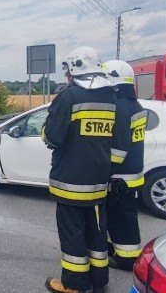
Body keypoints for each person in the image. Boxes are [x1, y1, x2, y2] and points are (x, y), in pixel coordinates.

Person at [42, 46, 116, 293]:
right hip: (98, 181)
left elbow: (53, 137)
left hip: (71, 182)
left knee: (72, 233)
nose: (66, 76)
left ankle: (73, 284)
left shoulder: (69, 97)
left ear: (74, 69)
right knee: (96, 232)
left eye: (67, 71)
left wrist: (45, 132)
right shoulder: (110, 97)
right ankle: (99, 279)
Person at [103, 60, 147, 272]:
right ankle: (122, 251)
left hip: (119, 176)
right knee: (125, 216)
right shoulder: (134, 105)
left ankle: (127, 259)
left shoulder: (118, 107)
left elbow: (118, 150)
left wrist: (101, 168)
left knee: (122, 219)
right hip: (132, 173)